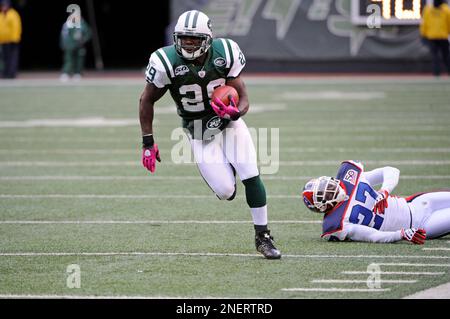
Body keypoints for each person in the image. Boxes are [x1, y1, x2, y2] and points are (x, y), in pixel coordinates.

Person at [139, 10, 281, 259]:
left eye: (194, 39)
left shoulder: (225, 52)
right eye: (183, 38)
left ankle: (263, 236)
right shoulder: (165, 61)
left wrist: (236, 113)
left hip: (228, 123)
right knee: (226, 191)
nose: (188, 43)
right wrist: (148, 142)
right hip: (198, 129)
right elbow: (146, 99)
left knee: (251, 174)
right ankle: (229, 169)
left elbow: (244, 96)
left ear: (207, 39)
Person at [302, 160, 450, 244]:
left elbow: (391, 170)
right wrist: (402, 234)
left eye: (327, 185)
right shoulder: (338, 223)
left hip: (416, 202)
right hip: (420, 225)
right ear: (323, 206)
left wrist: (384, 190)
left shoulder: (350, 178)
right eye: (325, 193)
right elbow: (373, 236)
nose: (330, 188)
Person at [420, 0, 450, 76]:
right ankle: (445, 71)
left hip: (432, 36)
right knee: (445, 56)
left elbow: (424, 23)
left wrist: (423, 34)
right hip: (442, 36)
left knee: (435, 56)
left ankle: (436, 73)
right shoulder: (446, 9)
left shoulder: (428, 9)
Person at [59, 13, 91, 81]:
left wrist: (83, 40)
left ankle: (78, 73)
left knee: (79, 60)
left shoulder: (82, 24)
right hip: (69, 45)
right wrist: (63, 44)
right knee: (68, 59)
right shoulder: (67, 24)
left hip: (79, 45)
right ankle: (66, 73)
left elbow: (88, 33)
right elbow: (63, 35)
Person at [0, 0, 21, 79]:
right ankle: (5, 73)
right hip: (3, 41)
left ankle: (11, 73)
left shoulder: (13, 14)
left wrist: (14, 38)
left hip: (12, 41)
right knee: (4, 58)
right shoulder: (1, 15)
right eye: (2, 6)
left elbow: (16, 27)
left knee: (12, 58)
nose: (3, 7)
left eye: (5, 5)